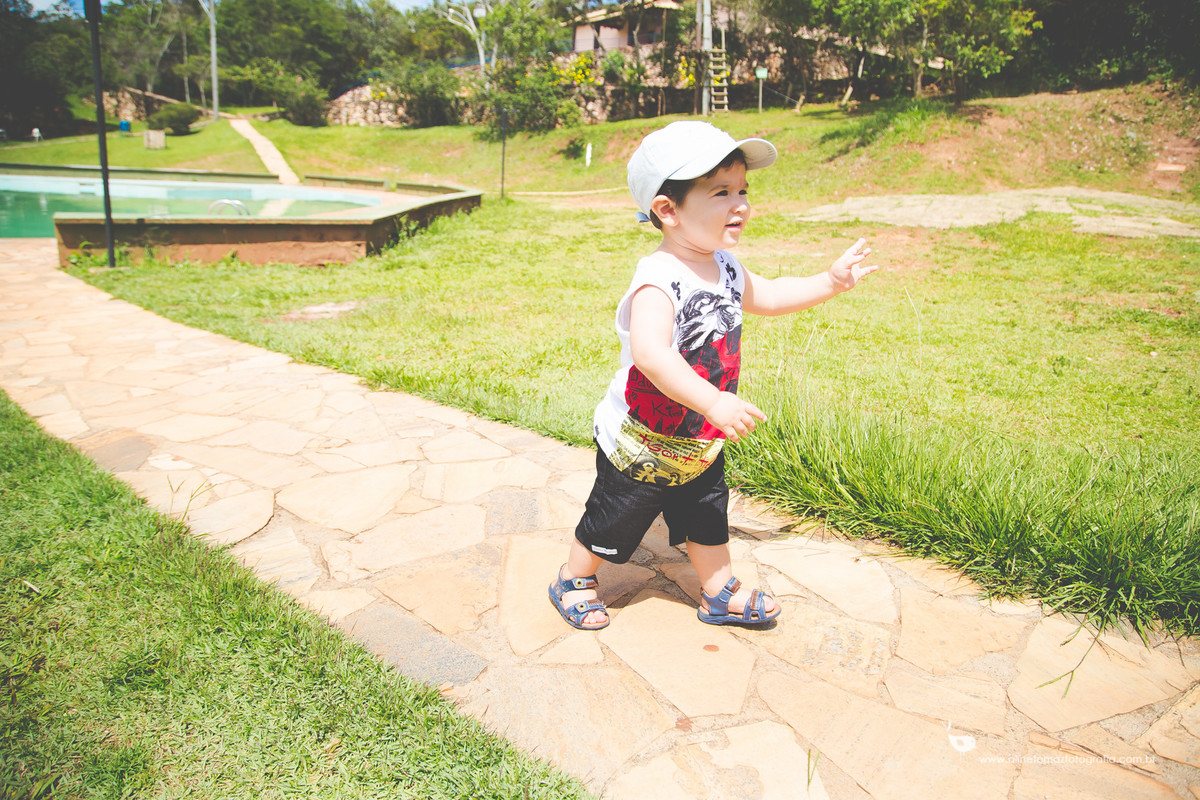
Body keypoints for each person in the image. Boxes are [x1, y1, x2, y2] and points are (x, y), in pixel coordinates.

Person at [548, 120, 877, 630]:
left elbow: (767, 295)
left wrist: (829, 283)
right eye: (721, 192)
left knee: (707, 511)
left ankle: (719, 591)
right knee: (615, 517)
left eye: (743, 189)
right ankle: (574, 576)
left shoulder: (725, 266)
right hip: (643, 440)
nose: (740, 203)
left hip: (700, 437)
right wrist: (713, 400)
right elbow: (653, 356)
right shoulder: (657, 280)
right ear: (668, 210)